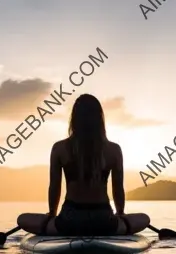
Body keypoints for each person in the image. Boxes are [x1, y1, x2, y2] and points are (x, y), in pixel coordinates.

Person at [17, 94, 150, 236]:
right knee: (144, 218)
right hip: (104, 221)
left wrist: (51, 214)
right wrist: (120, 213)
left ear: (74, 119)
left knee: (22, 219)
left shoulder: (59, 148)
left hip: (69, 221)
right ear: (100, 119)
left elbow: (55, 186)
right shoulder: (114, 150)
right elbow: (118, 188)